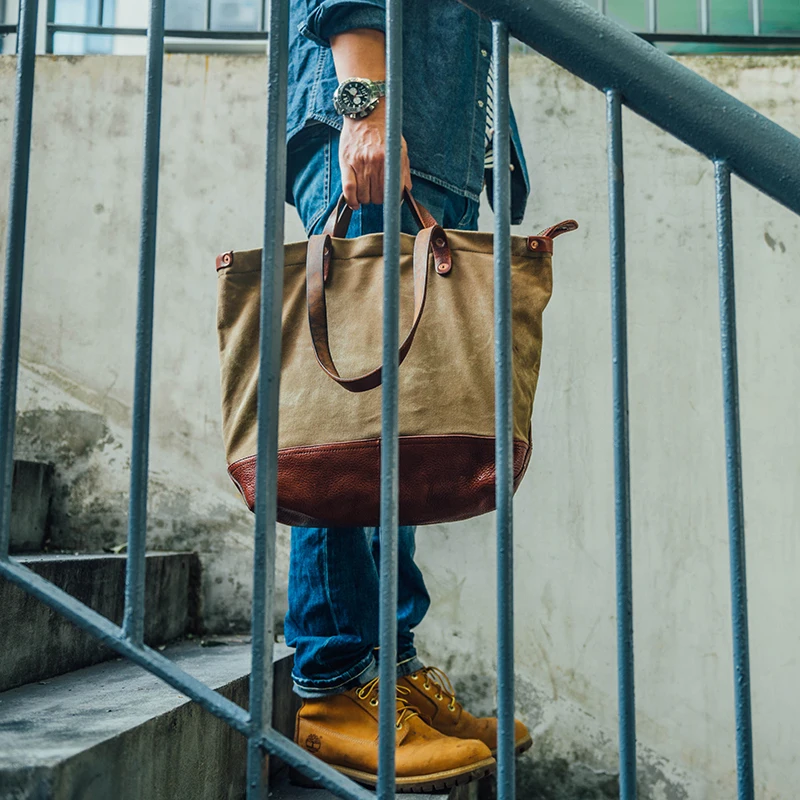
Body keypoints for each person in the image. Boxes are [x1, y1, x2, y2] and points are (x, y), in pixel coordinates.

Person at [284, 0, 532, 791]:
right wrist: (365, 109)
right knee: (351, 418)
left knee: (400, 428)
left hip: (429, 148)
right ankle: (333, 683)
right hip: (384, 129)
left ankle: (390, 669)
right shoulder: (371, 115)